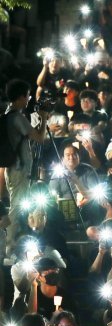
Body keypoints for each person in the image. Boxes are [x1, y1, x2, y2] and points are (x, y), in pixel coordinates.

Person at [3, 79, 50, 256]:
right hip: (19, 168)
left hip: (14, 167)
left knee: (17, 204)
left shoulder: (9, 114)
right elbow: (40, 138)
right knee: (16, 206)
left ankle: (11, 240)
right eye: (28, 96)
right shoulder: (16, 116)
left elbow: (27, 136)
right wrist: (44, 118)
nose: (29, 99)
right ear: (22, 96)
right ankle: (8, 244)